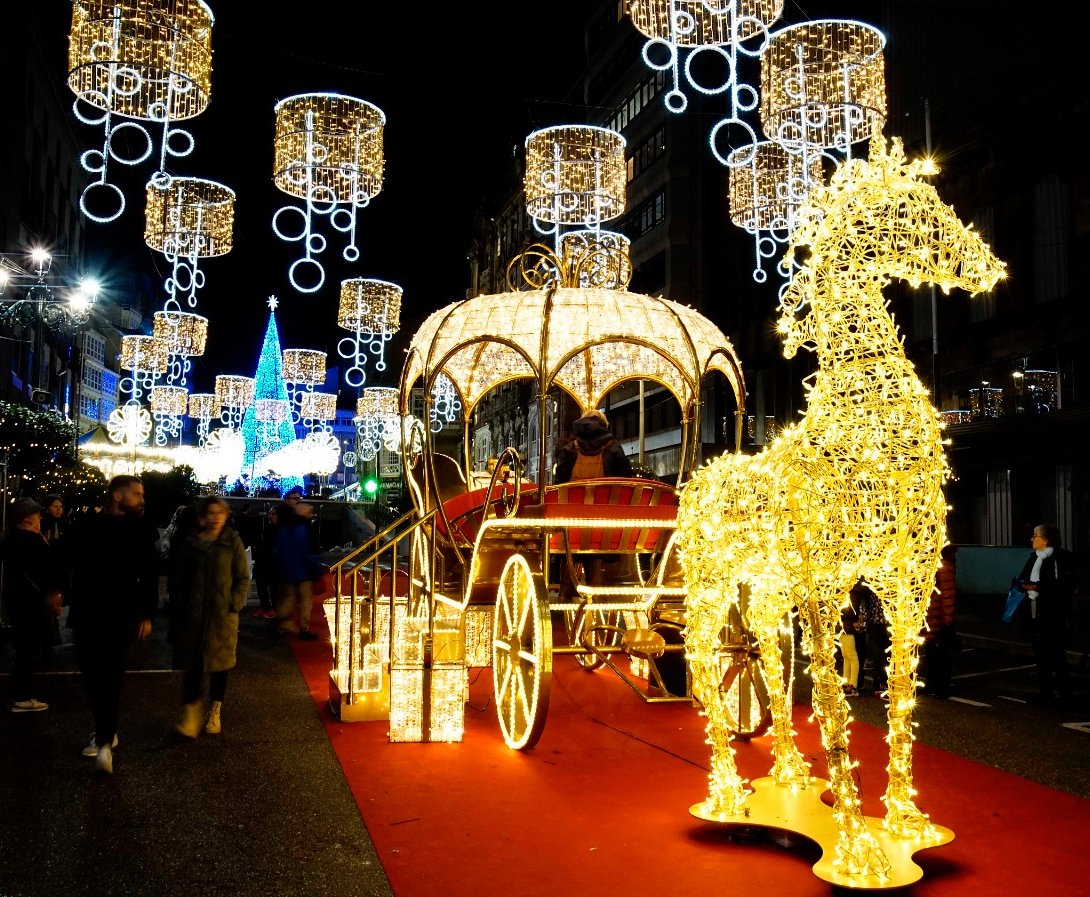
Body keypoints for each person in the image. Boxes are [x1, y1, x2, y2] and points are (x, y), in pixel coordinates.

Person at [64, 475, 159, 774]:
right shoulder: (86, 526)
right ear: (118, 496)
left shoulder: (141, 530)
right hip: (88, 611)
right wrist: (56, 592)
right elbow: (66, 560)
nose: (142, 499)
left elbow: (151, 574)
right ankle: (105, 731)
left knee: (112, 675)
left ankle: (105, 741)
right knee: (92, 675)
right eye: (137, 494)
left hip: (122, 613)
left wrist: (147, 614)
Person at [169, 496, 251, 738]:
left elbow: (242, 576)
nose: (215, 517)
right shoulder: (191, 542)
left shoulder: (231, 540)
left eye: (220, 513)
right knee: (192, 665)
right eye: (211, 512)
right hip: (193, 614)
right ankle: (190, 713)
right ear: (203, 516)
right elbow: (178, 578)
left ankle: (215, 710)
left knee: (220, 666)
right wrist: (179, 605)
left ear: (226, 516)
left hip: (221, 616)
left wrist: (234, 604)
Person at [1, 499, 63, 712]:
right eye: (37, 515)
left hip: (17, 599)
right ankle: (22, 696)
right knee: (30, 648)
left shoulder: (11, 539)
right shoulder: (31, 540)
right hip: (32, 601)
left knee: (25, 647)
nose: (40, 517)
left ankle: (19, 693)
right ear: (26, 518)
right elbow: (49, 569)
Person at [1014, 524, 1079, 705]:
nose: (1032, 538)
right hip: (1035, 613)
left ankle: (1066, 695)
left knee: (1057, 655)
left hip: (1054, 614)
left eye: (1036, 536)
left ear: (1046, 539)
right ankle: (1046, 692)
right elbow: (1023, 579)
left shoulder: (1059, 558)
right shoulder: (1033, 558)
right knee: (1041, 655)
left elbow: (1062, 586)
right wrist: (1023, 585)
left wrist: (1036, 587)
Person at [273, 500, 323, 640]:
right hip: (304, 572)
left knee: (288, 598)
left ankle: (280, 622)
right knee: (305, 602)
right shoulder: (304, 528)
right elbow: (308, 553)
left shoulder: (282, 527)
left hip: (287, 570)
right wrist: (317, 573)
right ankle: (304, 629)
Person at [553, 409, 632, 484]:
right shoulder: (613, 447)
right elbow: (625, 478)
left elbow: (560, 481)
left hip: (575, 496)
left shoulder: (569, 448)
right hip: (607, 496)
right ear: (605, 424)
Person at [923, 545, 959, 698]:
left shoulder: (942, 567)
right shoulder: (935, 565)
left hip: (937, 616)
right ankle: (934, 684)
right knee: (932, 652)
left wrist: (947, 622)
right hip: (932, 615)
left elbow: (947, 595)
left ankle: (941, 687)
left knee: (939, 654)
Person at [250, 505, 280, 619]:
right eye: (270, 514)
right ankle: (265, 606)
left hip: (272, 562)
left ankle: (273, 608)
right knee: (261, 585)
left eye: (273, 514)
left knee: (273, 587)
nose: (271, 516)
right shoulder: (268, 527)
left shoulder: (278, 529)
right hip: (263, 561)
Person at [840, 581, 866, 697]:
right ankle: (846, 682)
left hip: (847, 626)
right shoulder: (851, 592)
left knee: (851, 656)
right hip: (844, 626)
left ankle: (853, 685)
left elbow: (850, 611)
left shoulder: (853, 593)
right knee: (846, 655)